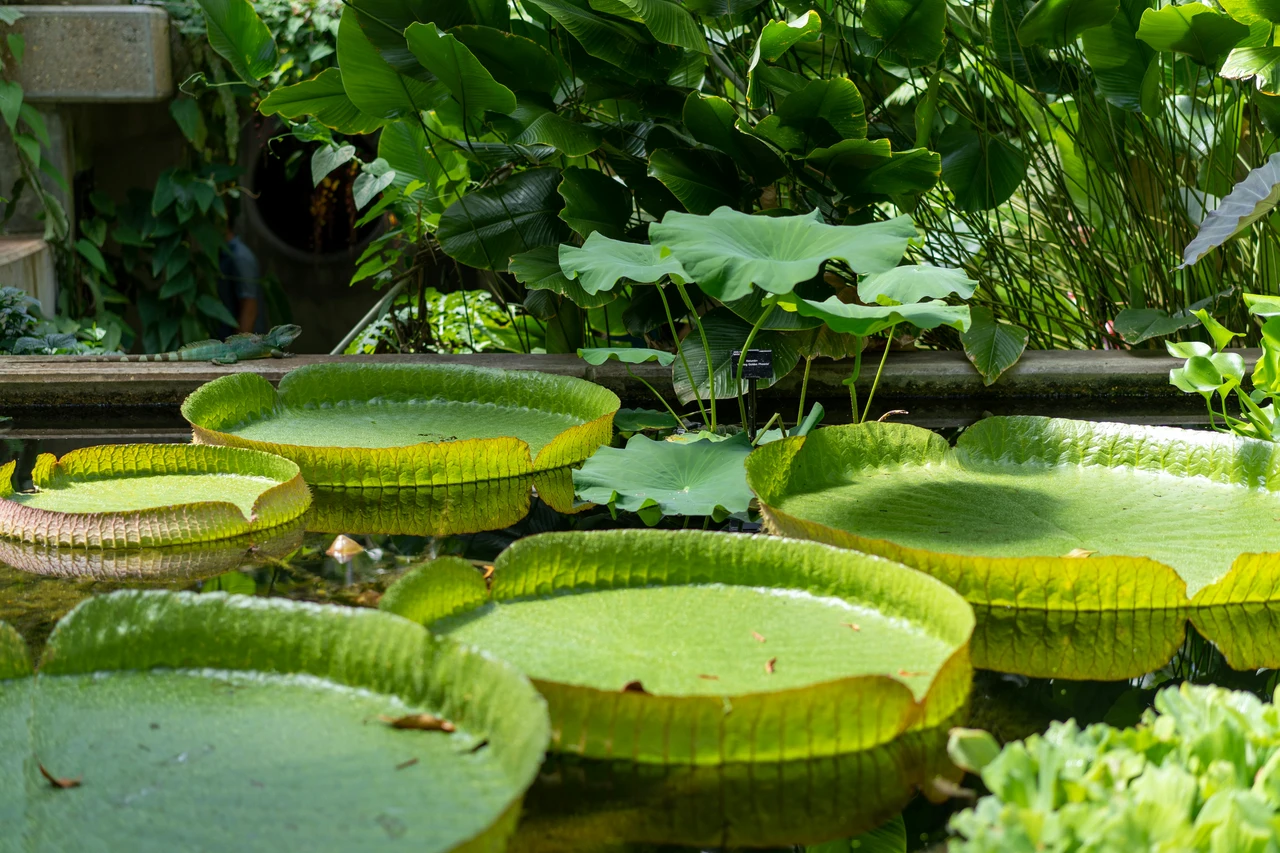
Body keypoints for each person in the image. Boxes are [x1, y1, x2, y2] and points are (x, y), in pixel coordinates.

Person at [217, 204, 268, 336]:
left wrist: (237, 349)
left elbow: (249, 308)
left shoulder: (240, 256)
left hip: (241, 347)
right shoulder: (223, 254)